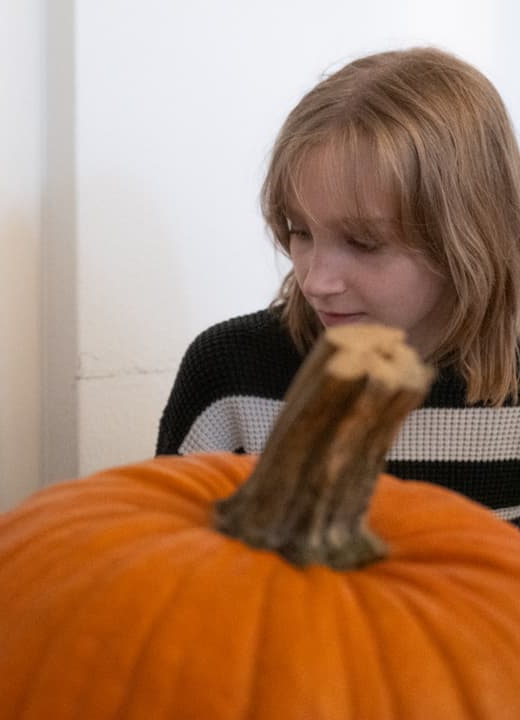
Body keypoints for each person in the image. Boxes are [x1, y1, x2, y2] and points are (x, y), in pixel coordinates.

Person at [156, 47, 520, 526]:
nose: (315, 282)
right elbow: (169, 567)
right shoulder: (230, 376)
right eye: (300, 231)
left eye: (365, 243)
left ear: (470, 237)